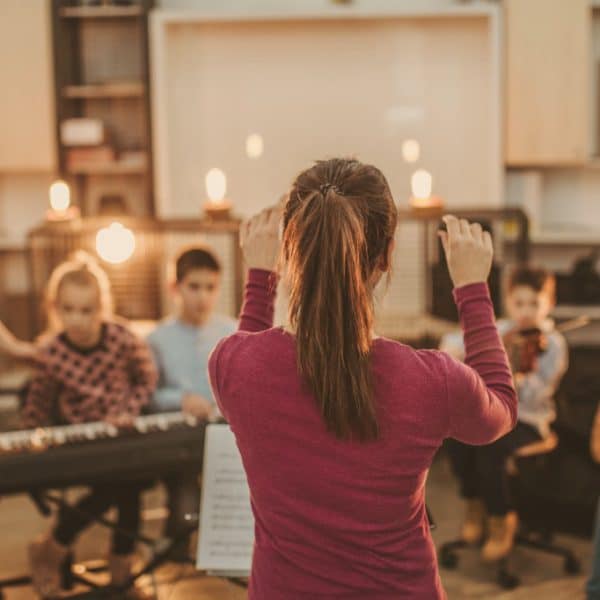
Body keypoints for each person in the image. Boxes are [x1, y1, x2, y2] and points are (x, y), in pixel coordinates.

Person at [208, 158, 517, 599]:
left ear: (290, 250)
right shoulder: (432, 381)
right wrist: (473, 290)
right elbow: (501, 408)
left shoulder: (232, 364)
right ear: (388, 254)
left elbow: (251, 360)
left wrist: (260, 279)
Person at [21, 252, 157, 598]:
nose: (77, 320)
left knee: (132, 479)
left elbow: (146, 378)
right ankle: (121, 573)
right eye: (68, 310)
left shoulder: (123, 339)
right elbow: (37, 403)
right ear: (56, 309)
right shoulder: (51, 353)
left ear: (101, 307)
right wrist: (27, 444)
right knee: (128, 486)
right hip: (83, 445)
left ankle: (54, 544)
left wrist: (128, 410)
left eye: (86, 310)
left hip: (122, 437)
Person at [441, 266, 568, 562]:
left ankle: (501, 519)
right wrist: (458, 352)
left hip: (530, 421)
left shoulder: (554, 345)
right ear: (508, 302)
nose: (525, 312)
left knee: (490, 445)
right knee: (455, 435)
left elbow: (537, 394)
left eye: (534, 304)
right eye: (518, 303)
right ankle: (474, 505)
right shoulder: (502, 331)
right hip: (494, 412)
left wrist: (519, 375)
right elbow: (454, 341)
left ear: (548, 304)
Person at [147, 245, 236, 558]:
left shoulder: (231, 331)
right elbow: (150, 395)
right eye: (194, 287)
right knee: (187, 510)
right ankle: (180, 535)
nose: (203, 297)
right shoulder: (157, 338)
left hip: (227, 434)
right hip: (181, 440)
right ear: (175, 288)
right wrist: (181, 399)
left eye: (210, 287)